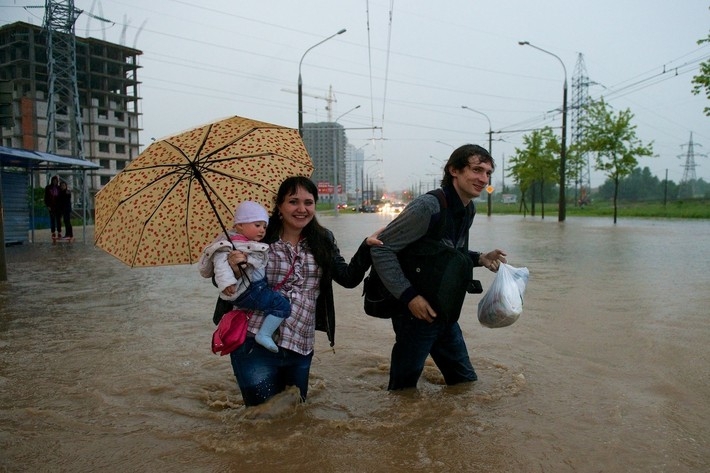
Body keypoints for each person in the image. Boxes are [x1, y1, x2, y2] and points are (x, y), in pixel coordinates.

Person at [212, 176, 380, 407]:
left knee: (295, 414)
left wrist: (366, 248)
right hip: (254, 342)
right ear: (279, 205)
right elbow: (220, 282)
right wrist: (233, 266)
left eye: (308, 202)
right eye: (293, 201)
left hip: (301, 344)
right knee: (261, 418)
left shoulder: (322, 239)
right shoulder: (257, 237)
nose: (302, 209)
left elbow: (348, 278)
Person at [370, 144, 508, 391]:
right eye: (477, 170)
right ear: (454, 170)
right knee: (403, 391)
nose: (483, 179)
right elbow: (381, 249)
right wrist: (410, 297)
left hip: (444, 310)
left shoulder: (468, 209)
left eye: (488, 173)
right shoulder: (428, 207)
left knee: (464, 383)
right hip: (414, 314)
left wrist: (480, 258)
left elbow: (449, 255)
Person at [199, 200, 291, 353]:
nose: (262, 230)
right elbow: (220, 266)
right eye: (257, 225)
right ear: (240, 225)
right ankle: (264, 334)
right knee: (282, 306)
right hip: (250, 290)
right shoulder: (228, 244)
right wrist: (228, 281)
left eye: (264, 226)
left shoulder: (247, 242)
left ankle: (268, 332)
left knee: (276, 302)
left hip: (256, 287)